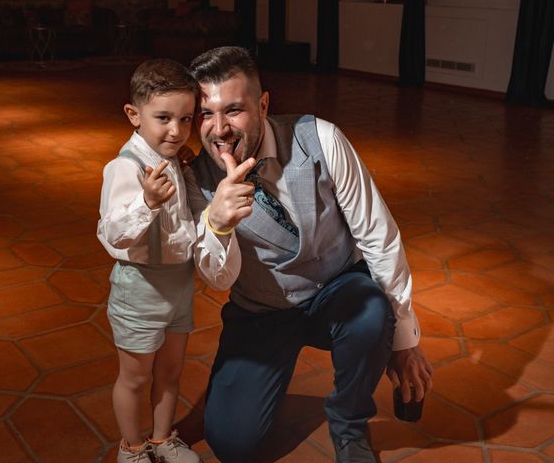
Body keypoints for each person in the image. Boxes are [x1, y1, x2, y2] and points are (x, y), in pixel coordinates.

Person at [185, 46, 434, 463]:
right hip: (261, 308)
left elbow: (378, 235)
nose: (219, 129)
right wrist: (219, 221)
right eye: (206, 114)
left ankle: (349, 424)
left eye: (233, 110)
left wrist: (404, 340)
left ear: (263, 104)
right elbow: (219, 280)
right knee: (232, 444)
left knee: (374, 311)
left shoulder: (320, 137)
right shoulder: (196, 179)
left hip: (337, 289)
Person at [97, 59, 204, 463]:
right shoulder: (124, 167)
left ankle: (161, 439)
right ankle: (132, 447)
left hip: (179, 283)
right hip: (139, 288)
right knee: (136, 376)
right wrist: (147, 203)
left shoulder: (176, 157)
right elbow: (112, 233)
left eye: (185, 118)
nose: (176, 131)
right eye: (163, 118)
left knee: (171, 372)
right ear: (133, 114)